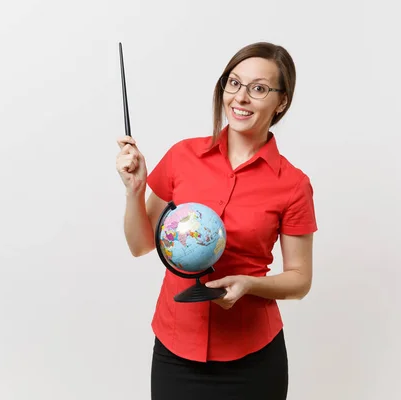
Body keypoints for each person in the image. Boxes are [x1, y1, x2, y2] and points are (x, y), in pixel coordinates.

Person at [115, 42, 317, 400]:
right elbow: (140, 245)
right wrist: (135, 190)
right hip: (176, 351)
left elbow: (300, 281)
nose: (241, 98)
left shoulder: (293, 184)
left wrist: (248, 284)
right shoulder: (183, 156)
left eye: (258, 88)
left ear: (281, 102)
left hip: (253, 360)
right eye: (234, 83)